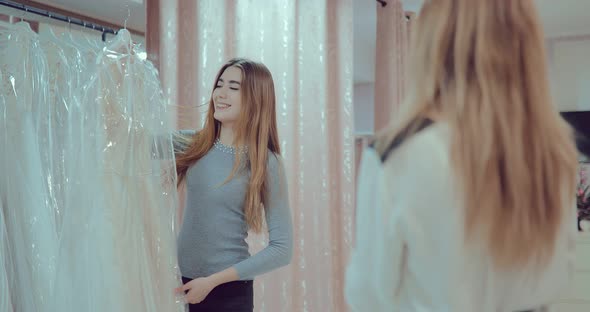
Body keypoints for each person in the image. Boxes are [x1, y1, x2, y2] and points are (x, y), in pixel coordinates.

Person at [345, 1, 578, 311]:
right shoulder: (555, 154)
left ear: (432, 43)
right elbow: (560, 273)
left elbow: (370, 296)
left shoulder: (399, 155)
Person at [174, 58, 293, 312]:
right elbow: (128, 143)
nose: (220, 93)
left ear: (255, 98)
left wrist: (211, 282)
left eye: (233, 87)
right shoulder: (193, 143)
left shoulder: (266, 162)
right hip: (180, 287)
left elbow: (283, 249)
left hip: (228, 294)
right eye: (219, 84)